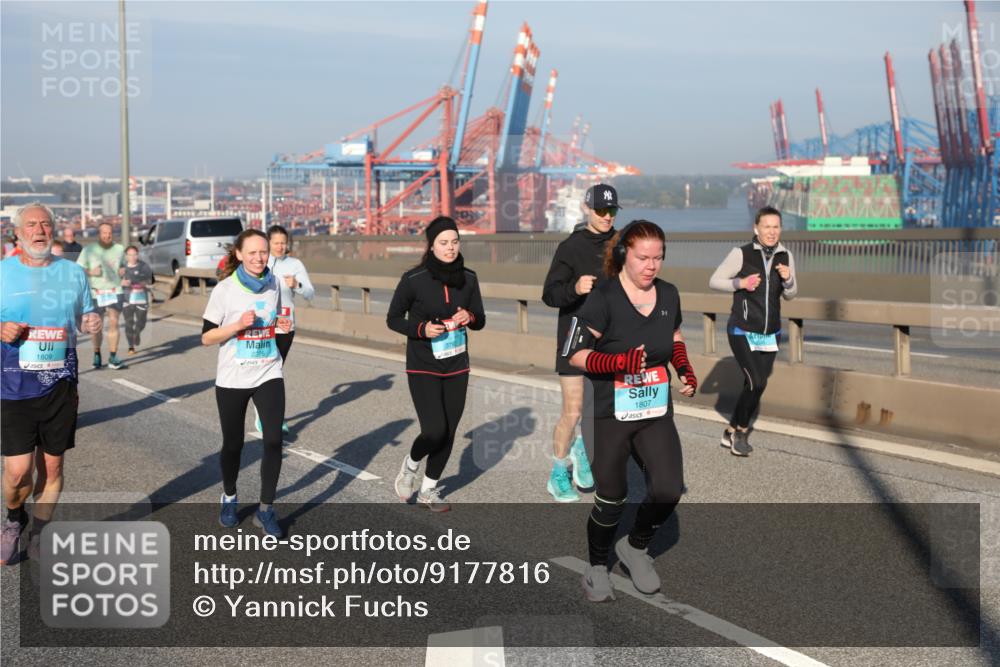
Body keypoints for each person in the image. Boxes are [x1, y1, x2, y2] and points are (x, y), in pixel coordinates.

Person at [565, 220, 696, 601]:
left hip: (653, 408)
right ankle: (596, 567)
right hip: (607, 410)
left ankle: (636, 548)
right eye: (643, 258)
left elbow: (673, 338)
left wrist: (684, 370)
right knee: (612, 496)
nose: (651, 266)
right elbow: (574, 355)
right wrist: (619, 363)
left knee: (669, 489)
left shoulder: (669, 295)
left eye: (658, 258)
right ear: (625, 254)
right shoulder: (602, 297)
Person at [1, 203, 102, 565]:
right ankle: (14, 518)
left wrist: (92, 322)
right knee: (16, 473)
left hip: (60, 383)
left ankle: (41, 533)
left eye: (46, 224)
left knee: (53, 468)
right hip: (12, 384)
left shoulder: (72, 274)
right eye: (31, 225)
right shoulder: (2, 273)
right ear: (18, 233)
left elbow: (87, 313)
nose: (40, 230)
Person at [387, 216, 485, 513]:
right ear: (431, 246)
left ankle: (429, 489)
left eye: (455, 242)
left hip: (457, 364)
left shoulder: (469, 278)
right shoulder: (413, 280)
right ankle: (411, 465)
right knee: (434, 430)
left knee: (450, 431)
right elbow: (393, 319)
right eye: (444, 243)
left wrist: (470, 317)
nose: (450, 248)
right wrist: (421, 330)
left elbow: (480, 319)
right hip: (423, 364)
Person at [202, 229, 291, 537]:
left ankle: (266, 510)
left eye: (263, 252)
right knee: (233, 444)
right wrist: (237, 325)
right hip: (232, 377)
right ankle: (229, 495)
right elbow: (206, 336)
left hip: (268, 372)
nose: (258, 258)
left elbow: (280, 323)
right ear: (239, 254)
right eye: (252, 252)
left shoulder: (275, 284)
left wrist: (283, 327)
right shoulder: (225, 290)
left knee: (274, 440)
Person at [542, 184, 621, 502]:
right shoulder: (570, 247)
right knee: (573, 411)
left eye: (612, 211)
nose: (606, 217)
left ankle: (582, 449)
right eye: (601, 211)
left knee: (604, 412)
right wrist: (574, 287)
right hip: (575, 340)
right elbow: (549, 294)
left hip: (610, 342)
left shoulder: (621, 243)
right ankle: (558, 473)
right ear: (587, 209)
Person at [709, 206, 797, 456]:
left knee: (756, 384)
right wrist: (741, 283)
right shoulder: (741, 254)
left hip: (770, 333)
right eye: (767, 226)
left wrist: (788, 279)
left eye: (776, 226)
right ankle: (741, 432)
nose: (772, 231)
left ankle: (729, 430)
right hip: (742, 329)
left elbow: (791, 294)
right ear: (756, 228)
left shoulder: (785, 256)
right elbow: (714, 280)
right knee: (755, 380)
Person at [265, 225, 315, 433]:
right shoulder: (260, 261)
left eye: (283, 243)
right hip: (263, 325)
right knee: (267, 370)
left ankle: (269, 415)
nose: (280, 246)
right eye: (276, 242)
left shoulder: (295, 264)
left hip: (285, 326)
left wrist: (297, 285)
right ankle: (269, 415)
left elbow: (310, 293)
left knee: (276, 371)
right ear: (268, 243)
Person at [77, 222, 125, 369]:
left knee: (114, 323)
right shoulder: (89, 250)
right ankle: (97, 352)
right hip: (96, 292)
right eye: (104, 233)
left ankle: (113, 356)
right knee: (97, 327)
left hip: (114, 291)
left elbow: (122, 265)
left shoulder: (119, 249)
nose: (107, 236)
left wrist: (122, 270)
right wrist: (91, 272)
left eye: (109, 233)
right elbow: (78, 269)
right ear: (99, 234)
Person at [120, 245, 153, 356]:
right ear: (126, 256)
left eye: (135, 254)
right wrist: (121, 283)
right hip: (126, 298)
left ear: (137, 255)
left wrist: (142, 283)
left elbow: (151, 280)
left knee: (141, 322)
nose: (133, 257)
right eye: (130, 255)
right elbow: (113, 281)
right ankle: (131, 346)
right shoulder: (122, 268)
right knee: (129, 323)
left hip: (141, 298)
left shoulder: (144, 266)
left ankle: (137, 333)